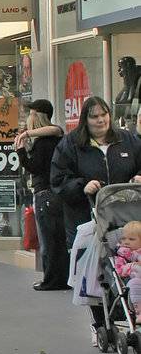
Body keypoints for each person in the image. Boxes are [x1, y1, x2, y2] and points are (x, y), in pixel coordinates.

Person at [51, 94, 141, 247]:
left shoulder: (127, 140)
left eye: (104, 114)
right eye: (94, 116)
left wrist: (139, 176)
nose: (101, 120)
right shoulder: (70, 143)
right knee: (88, 267)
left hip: (125, 220)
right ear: (85, 119)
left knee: (121, 267)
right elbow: (58, 179)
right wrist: (82, 186)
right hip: (85, 218)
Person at [15, 99, 68, 290]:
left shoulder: (44, 142)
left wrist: (21, 152)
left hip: (44, 193)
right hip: (57, 193)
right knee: (59, 239)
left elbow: (35, 167)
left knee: (48, 240)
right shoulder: (57, 137)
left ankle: (51, 279)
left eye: (30, 114)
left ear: (36, 116)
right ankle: (61, 278)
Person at [113, 220, 141, 310]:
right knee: (134, 283)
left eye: (131, 239)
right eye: (123, 239)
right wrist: (131, 266)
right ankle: (139, 311)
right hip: (134, 282)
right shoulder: (121, 256)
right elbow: (119, 270)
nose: (126, 242)